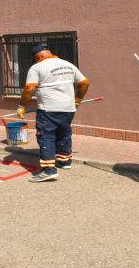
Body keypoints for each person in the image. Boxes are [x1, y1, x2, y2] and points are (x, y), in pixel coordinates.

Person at [17, 43, 90, 182]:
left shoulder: (36, 67)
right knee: (63, 132)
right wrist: (78, 98)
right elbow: (85, 83)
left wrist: (21, 105)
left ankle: (48, 170)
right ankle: (64, 161)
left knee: (46, 136)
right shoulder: (68, 64)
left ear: (37, 56)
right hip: (68, 108)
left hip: (48, 109)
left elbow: (29, 89)